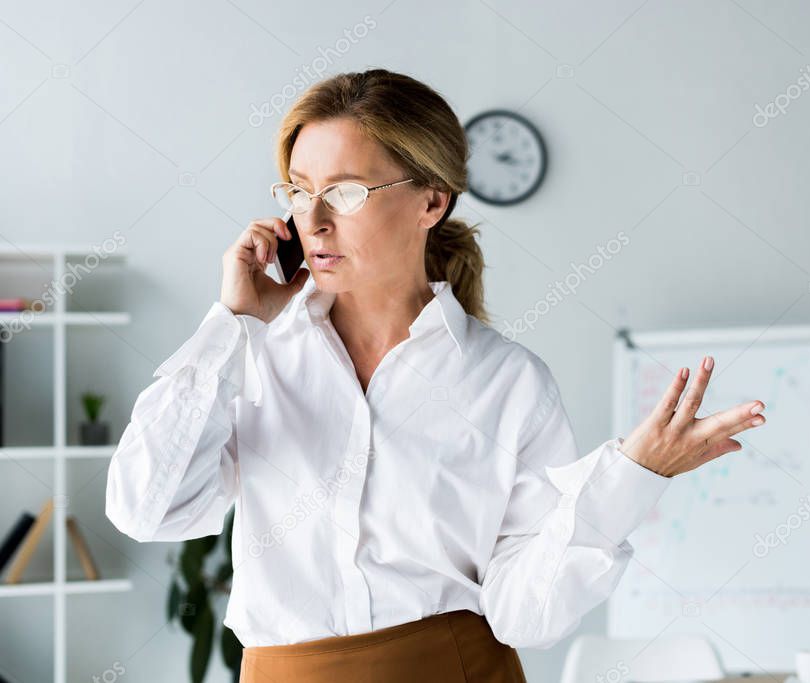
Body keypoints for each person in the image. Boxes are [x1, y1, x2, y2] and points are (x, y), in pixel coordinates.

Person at [105, 68, 767, 682]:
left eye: (344, 191)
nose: (314, 220)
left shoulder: (506, 382)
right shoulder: (251, 357)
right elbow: (144, 507)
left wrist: (632, 476)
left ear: (430, 202)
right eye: (299, 191)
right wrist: (232, 323)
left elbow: (522, 615)